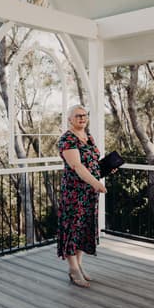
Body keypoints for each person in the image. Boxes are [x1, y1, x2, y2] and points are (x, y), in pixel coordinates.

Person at [57, 104, 107, 288]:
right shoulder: (67, 139)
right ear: (70, 119)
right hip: (74, 192)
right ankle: (73, 269)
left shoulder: (88, 137)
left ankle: (79, 265)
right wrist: (96, 183)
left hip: (89, 193)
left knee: (84, 228)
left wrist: (107, 169)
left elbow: (93, 164)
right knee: (72, 228)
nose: (82, 118)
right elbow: (77, 166)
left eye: (85, 115)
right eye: (78, 115)